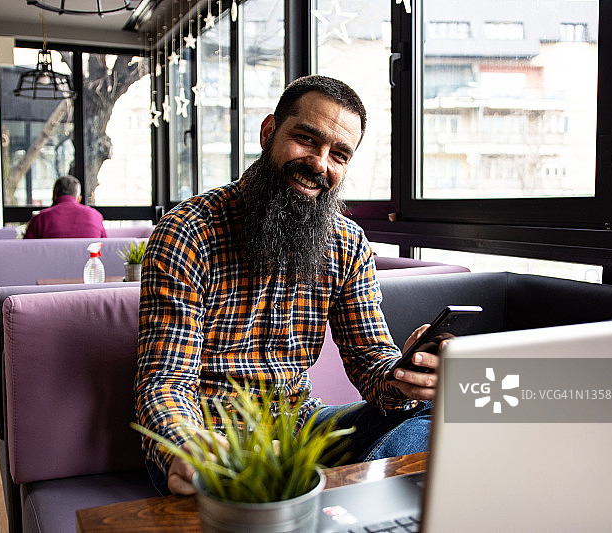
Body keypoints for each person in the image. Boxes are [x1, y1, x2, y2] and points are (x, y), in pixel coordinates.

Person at [135, 75, 443, 496]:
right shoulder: (187, 233)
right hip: (215, 440)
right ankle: (343, 500)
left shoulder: (347, 243)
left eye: (339, 155)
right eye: (306, 140)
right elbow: (164, 381)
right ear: (269, 133)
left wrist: (405, 375)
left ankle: (351, 500)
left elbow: (370, 359)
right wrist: (185, 444)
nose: (320, 164)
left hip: (302, 429)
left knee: (441, 408)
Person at [23, 175, 107, 239]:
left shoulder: (39, 219)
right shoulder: (95, 216)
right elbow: (105, 247)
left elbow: (26, 251)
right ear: (78, 198)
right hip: (88, 262)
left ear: (54, 195)